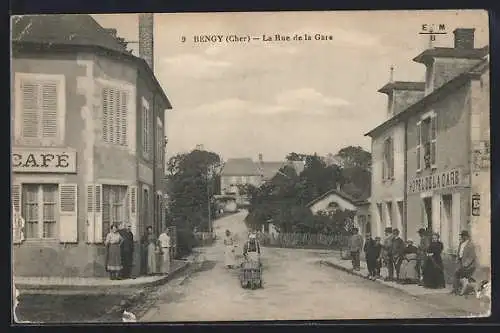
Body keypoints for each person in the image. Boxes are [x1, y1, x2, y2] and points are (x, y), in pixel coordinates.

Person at [452, 230, 477, 295]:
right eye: (461, 236)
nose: (462, 237)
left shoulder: (470, 245)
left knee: (458, 275)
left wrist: (466, 264)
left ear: (466, 236)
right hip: (461, 262)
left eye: (463, 236)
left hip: (469, 265)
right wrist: (457, 258)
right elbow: (459, 252)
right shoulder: (461, 243)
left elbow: (472, 256)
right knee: (460, 276)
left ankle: (457, 290)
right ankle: (457, 290)